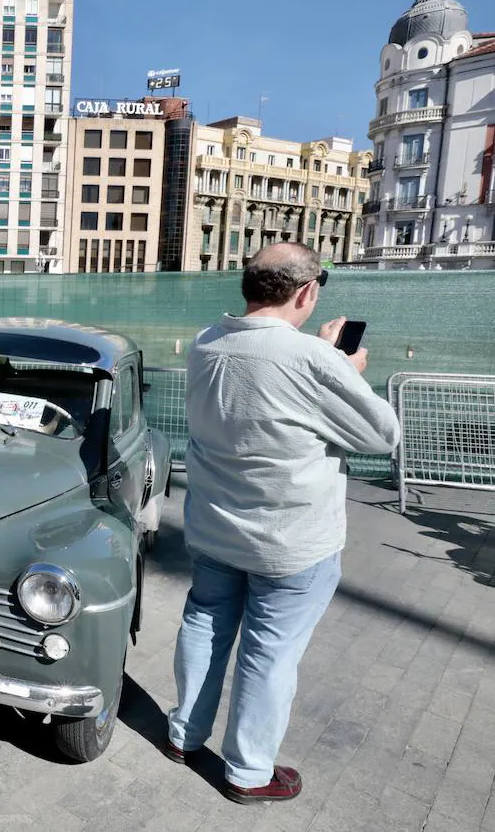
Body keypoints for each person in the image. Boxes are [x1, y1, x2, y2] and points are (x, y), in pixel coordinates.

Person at [165, 243, 400, 803]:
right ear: (307, 292)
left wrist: (321, 358)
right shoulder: (312, 360)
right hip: (289, 541)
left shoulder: (206, 343)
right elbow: (381, 435)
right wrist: (342, 364)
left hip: (214, 527)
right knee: (269, 651)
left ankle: (183, 735)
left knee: (205, 624)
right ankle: (247, 772)